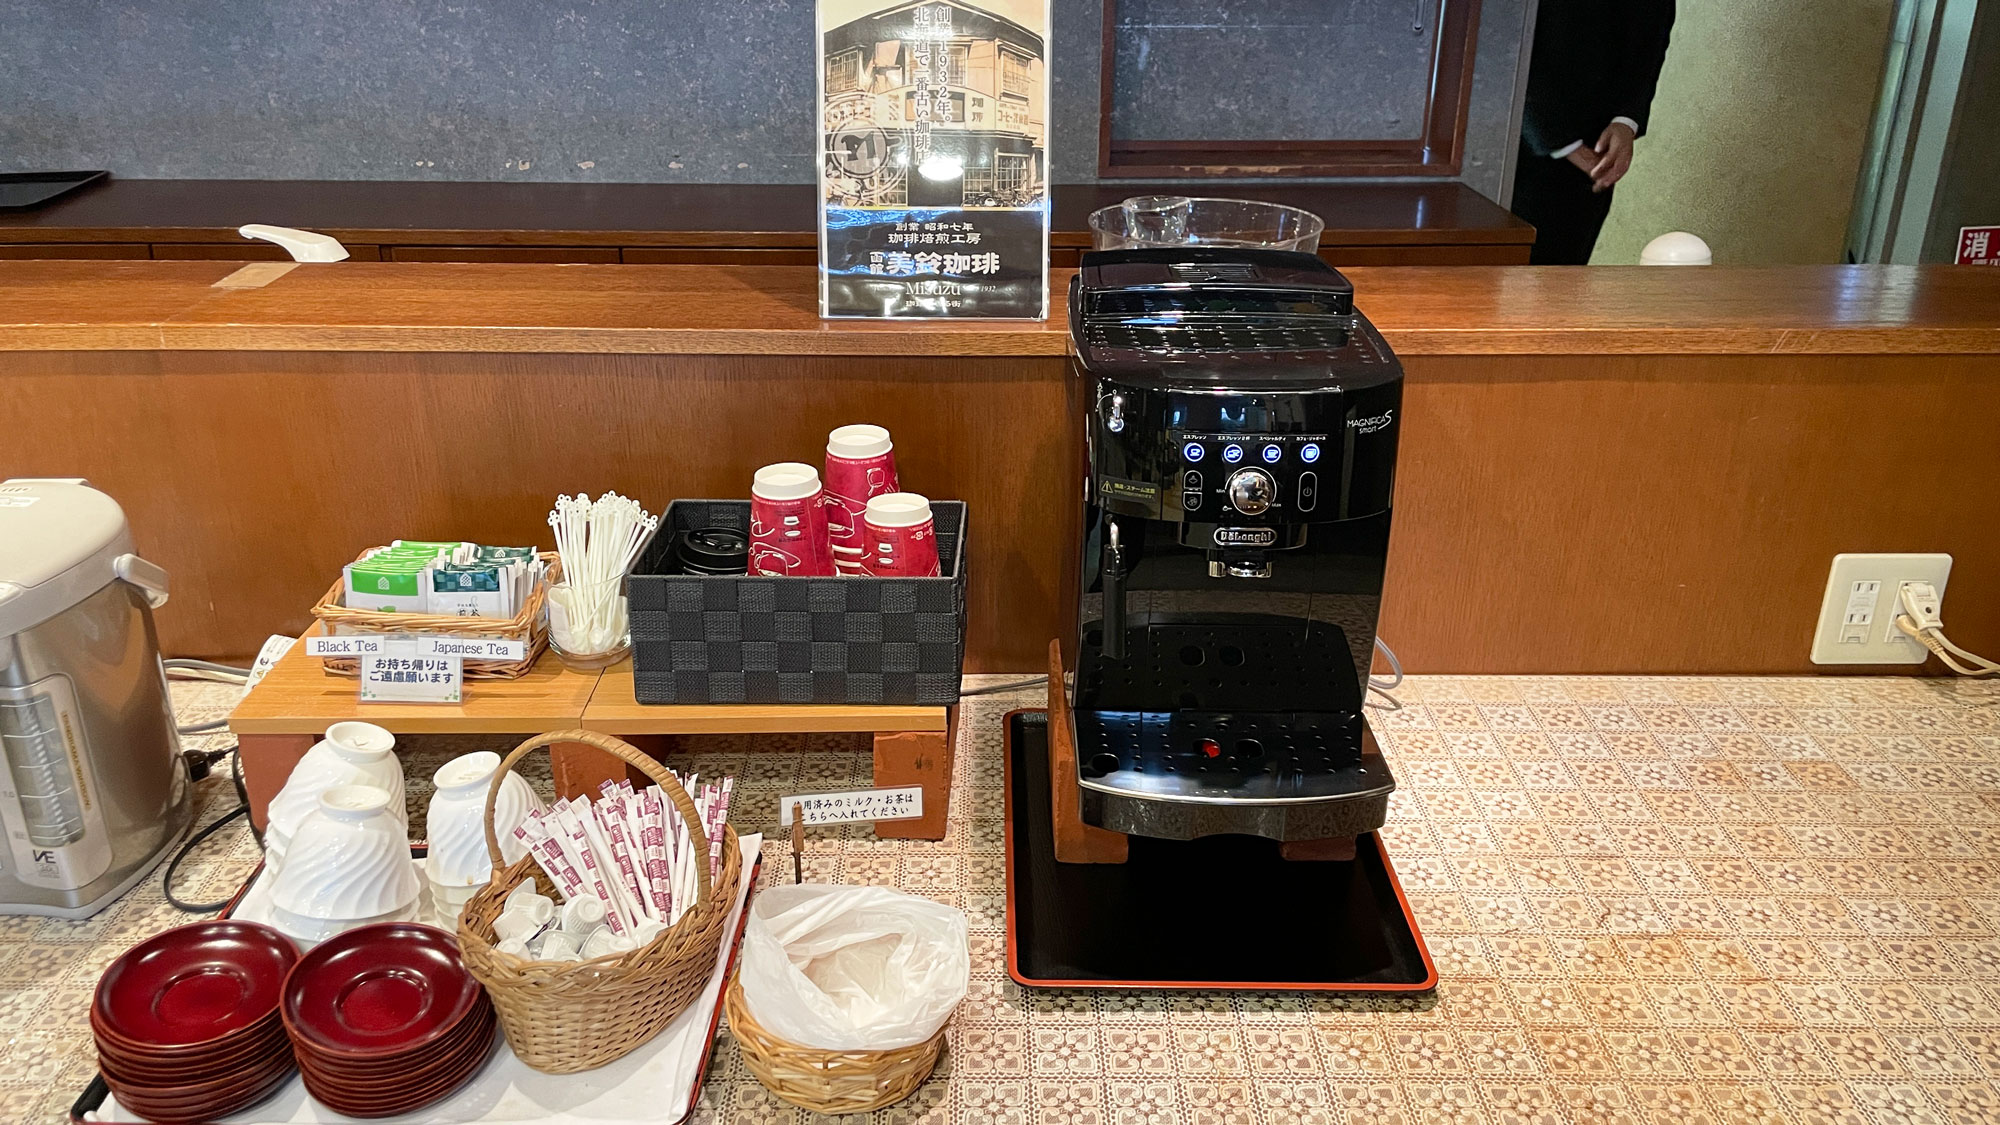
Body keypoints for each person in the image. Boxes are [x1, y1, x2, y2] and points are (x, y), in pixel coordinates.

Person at [1511, 0, 1677, 264]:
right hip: (1502, 150)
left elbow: (1652, 24)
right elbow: (1500, 32)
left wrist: (1626, 120)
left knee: (1560, 291)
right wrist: (1563, 142)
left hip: (1591, 162)